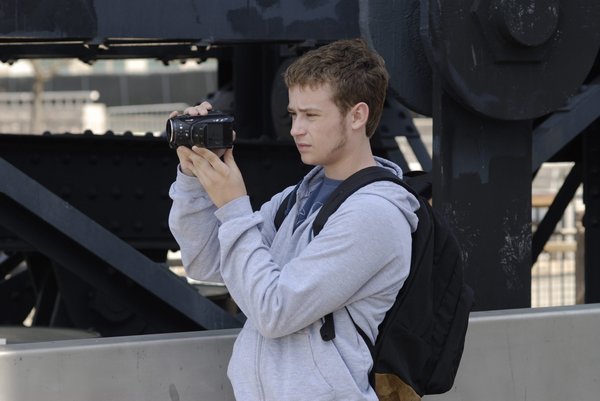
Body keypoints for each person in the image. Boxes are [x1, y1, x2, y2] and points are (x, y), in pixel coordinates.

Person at [168, 38, 419, 401]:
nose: (296, 128)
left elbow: (275, 312)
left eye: (311, 116)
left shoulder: (374, 215)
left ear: (357, 116)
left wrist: (234, 206)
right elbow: (207, 263)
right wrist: (193, 177)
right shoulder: (297, 198)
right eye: (293, 114)